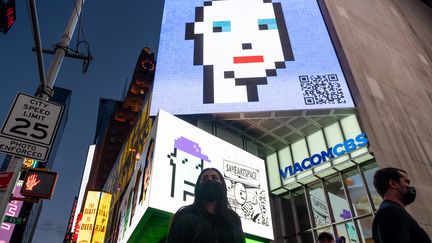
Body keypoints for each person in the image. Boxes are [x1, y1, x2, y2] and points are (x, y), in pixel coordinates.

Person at [167, 168, 245, 243]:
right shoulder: (184, 215)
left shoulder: (233, 219)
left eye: (215, 178)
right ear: (198, 187)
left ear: (222, 186)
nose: (210, 180)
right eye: (204, 178)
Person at [372, 167, 431, 243]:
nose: (410, 187)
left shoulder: (393, 210)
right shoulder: (390, 212)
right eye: (406, 182)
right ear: (393, 184)